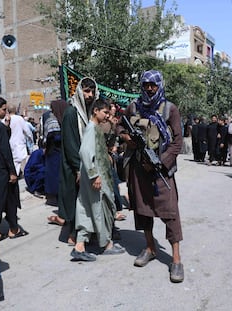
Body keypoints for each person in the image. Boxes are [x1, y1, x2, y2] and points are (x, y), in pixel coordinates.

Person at [118, 70, 184, 283]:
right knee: (142, 210)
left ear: (159, 85)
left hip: (160, 170)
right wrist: (126, 137)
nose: (149, 88)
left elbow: (177, 141)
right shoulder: (134, 107)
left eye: (153, 85)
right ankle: (149, 247)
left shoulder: (169, 109)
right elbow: (120, 126)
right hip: (139, 169)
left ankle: (176, 258)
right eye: (145, 84)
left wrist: (161, 162)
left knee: (170, 212)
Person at [71, 99, 125, 261]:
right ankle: (106, 244)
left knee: (87, 208)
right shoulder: (92, 129)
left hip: (94, 175)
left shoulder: (94, 129)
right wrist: (94, 175)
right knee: (99, 208)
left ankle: (79, 246)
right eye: (105, 112)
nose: (107, 116)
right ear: (95, 111)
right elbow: (85, 152)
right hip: (96, 177)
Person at [50, 77, 98, 244]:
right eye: (86, 91)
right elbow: (70, 143)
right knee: (74, 201)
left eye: (92, 91)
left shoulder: (91, 112)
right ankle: (72, 236)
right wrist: (78, 168)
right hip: (74, 165)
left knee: (85, 200)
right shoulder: (72, 112)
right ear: (79, 91)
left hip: (88, 164)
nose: (90, 95)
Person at [0, 95, 28, 241]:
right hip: (3, 169)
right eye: (3, 110)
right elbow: (5, 150)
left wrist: (6, 127)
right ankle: (13, 228)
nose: (6, 113)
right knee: (10, 198)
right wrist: (12, 172)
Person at [6, 104, 33, 177]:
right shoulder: (20, 119)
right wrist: (31, 139)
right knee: (19, 160)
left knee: (14, 160)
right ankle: (16, 174)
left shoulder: (5, 119)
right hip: (19, 142)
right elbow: (27, 130)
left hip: (9, 142)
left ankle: (15, 173)